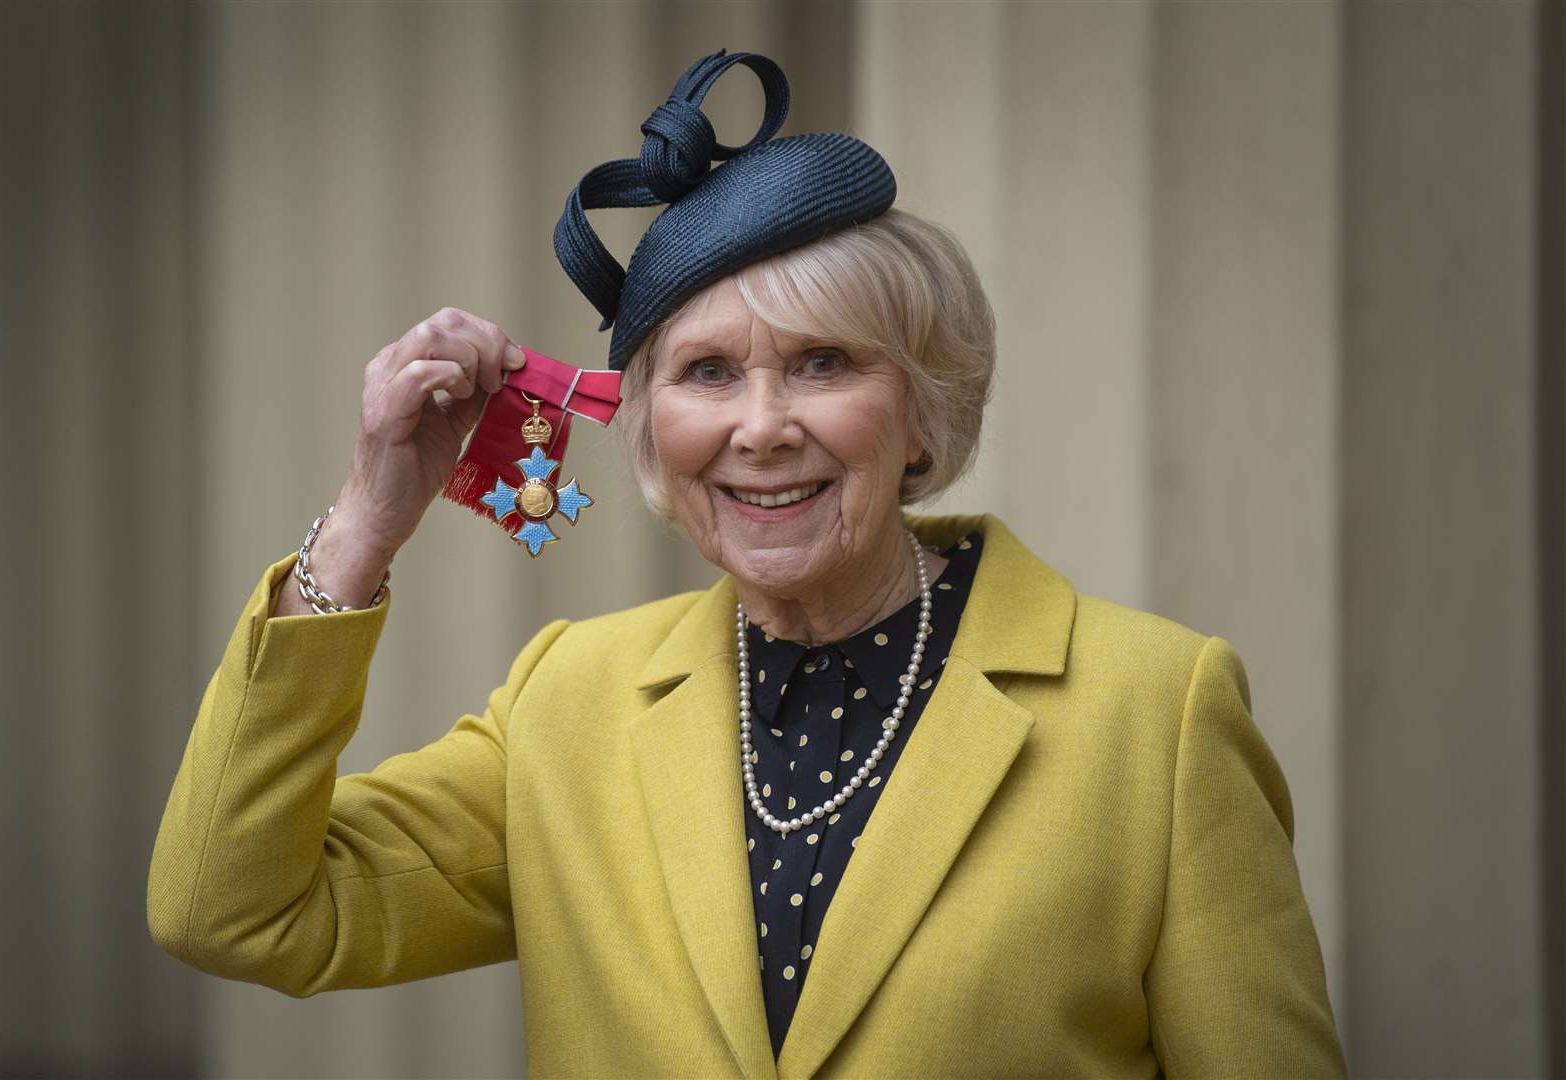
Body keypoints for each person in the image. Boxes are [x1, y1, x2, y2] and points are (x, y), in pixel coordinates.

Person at [147, 49, 1346, 1079]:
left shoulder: (1158, 714)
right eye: (707, 373)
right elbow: (232, 909)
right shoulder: (571, 700)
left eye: (825, 362)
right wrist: (366, 523)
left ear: (925, 410)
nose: (761, 426)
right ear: (650, 424)